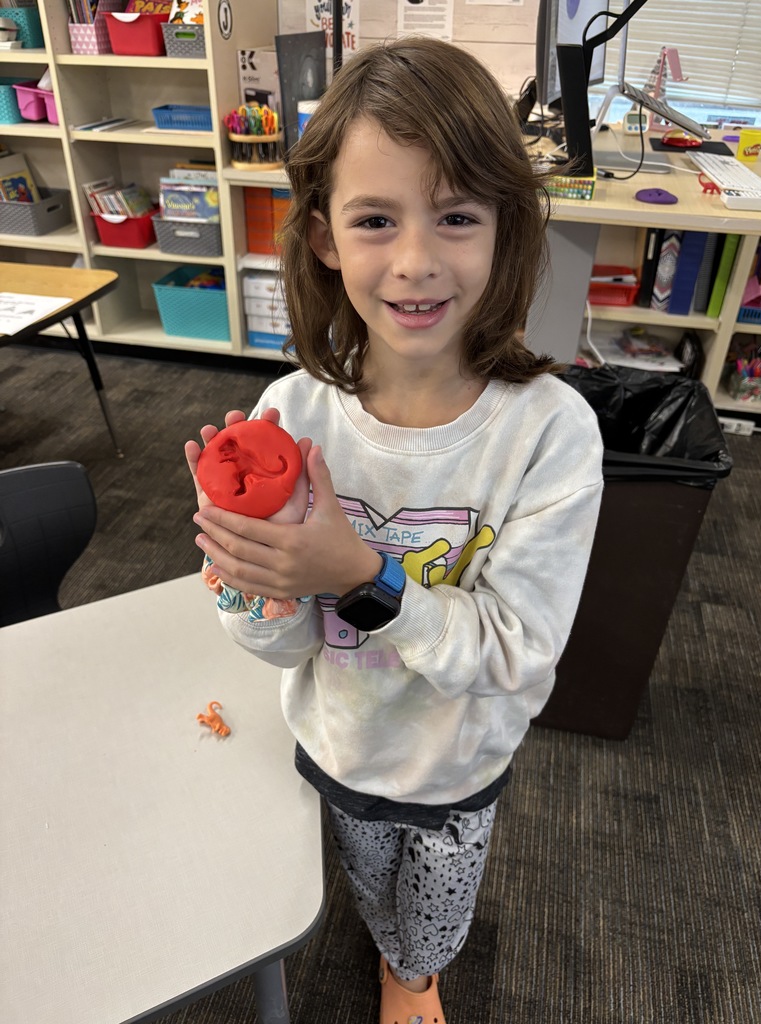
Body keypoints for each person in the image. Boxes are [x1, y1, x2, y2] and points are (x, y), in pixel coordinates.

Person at [185, 36, 604, 1024]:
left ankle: (416, 972)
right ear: (325, 234)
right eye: (377, 218)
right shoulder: (289, 416)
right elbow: (283, 642)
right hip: (338, 737)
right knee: (367, 873)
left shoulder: (549, 434)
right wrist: (255, 581)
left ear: (503, 227)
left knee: (434, 908)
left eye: (456, 216)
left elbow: (521, 658)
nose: (417, 261)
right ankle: (395, 955)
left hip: (458, 762)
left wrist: (358, 569)